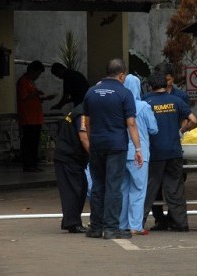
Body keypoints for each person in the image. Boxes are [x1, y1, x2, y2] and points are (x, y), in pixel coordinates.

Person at [83, 58, 143, 240]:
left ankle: (95, 227)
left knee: (98, 185)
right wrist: (138, 148)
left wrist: (94, 140)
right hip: (116, 145)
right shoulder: (124, 93)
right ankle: (111, 228)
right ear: (122, 74)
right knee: (113, 187)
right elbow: (131, 123)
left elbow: (87, 121)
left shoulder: (91, 92)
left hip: (97, 145)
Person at [143, 71, 197, 232]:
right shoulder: (176, 101)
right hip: (174, 150)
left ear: (151, 85)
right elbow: (193, 119)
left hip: (155, 152)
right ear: (166, 84)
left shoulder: (146, 102)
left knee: (150, 188)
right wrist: (181, 130)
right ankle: (181, 223)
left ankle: (139, 222)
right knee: (175, 188)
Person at [120, 74, 158, 236]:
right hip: (139, 152)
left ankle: (121, 224)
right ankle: (135, 225)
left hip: (121, 151)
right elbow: (154, 129)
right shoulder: (143, 106)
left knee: (123, 189)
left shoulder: (119, 105)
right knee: (139, 188)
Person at [54, 103, 89, 233]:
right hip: (69, 157)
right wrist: (95, 157)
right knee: (75, 190)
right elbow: (83, 137)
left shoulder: (78, 110)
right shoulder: (82, 114)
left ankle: (70, 221)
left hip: (68, 156)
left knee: (78, 188)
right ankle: (73, 223)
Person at [16, 60, 55, 172]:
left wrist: (43, 98)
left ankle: (33, 163)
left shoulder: (30, 82)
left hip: (35, 118)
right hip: (28, 118)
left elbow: (31, 98)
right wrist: (35, 93)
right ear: (31, 70)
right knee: (29, 142)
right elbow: (24, 97)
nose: (37, 76)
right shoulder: (23, 82)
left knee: (34, 142)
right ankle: (28, 164)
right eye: (37, 73)